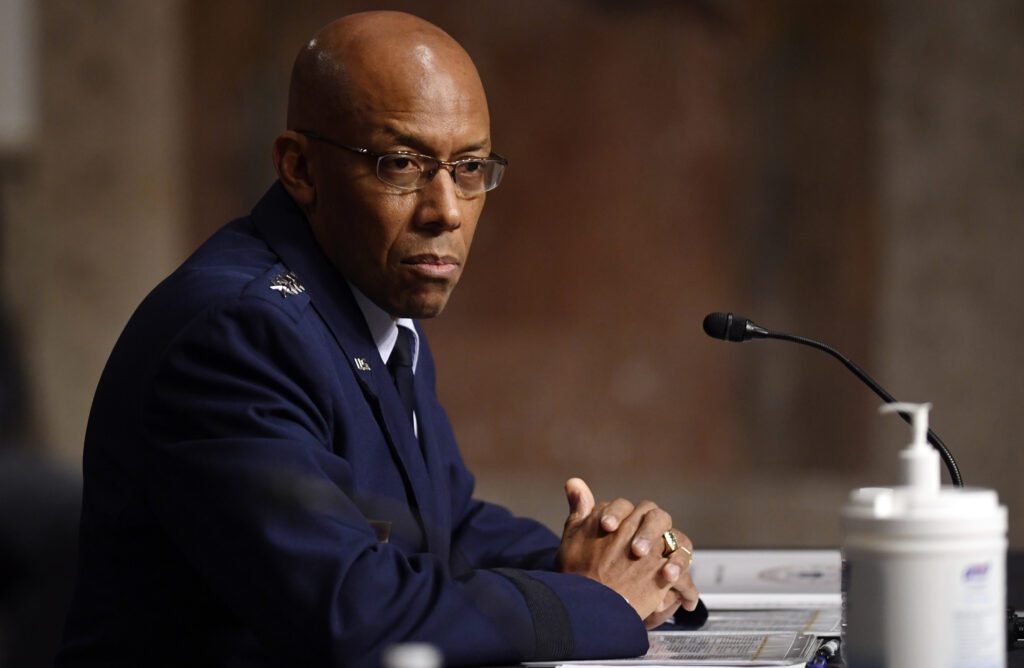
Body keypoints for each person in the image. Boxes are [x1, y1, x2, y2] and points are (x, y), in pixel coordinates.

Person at [57, 11, 702, 667]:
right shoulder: (238, 336)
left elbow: (437, 526)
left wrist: (611, 556)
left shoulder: (369, 296)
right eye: (402, 164)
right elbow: (356, 615)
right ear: (299, 167)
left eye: (470, 167)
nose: (446, 209)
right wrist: (591, 600)